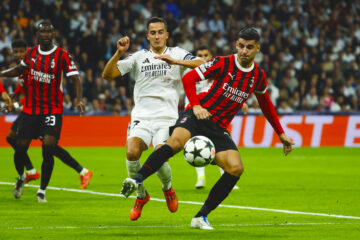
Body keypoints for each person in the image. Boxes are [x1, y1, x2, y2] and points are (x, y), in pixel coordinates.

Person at [120, 27, 294, 229]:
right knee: (174, 143)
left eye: (249, 47)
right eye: (240, 46)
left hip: (218, 126)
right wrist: (196, 105)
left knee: (236, 168)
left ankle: (200, 217)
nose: (244, 51)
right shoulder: (223, 62)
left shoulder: (258, 76)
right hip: (197, 116)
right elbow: (189, 78)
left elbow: (266, 105)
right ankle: (136, 180)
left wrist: (281, 134)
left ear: (257, 48)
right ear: (236, 45)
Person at [102, 17, 205, 221]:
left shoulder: (178, 53)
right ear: (147, 36)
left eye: (160, 32)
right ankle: (141, 195)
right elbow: (108, 74)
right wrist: (119, 53)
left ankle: (168, 188)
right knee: (132, 152)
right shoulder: (138, 57)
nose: (157, 36)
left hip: (167, 117)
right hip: (142, 115)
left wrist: (175, 62)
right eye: (153, 33)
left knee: (160, 155)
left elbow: (203, 63)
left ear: (166, 34)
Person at [0, 21, 92, 203]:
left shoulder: (62, 55)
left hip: (52, 109)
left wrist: (79, 99)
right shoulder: (31, 53)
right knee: (19, 148)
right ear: (37, 34)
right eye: (43, 31)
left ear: (53, 33)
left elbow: (75, 78)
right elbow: (20, 70)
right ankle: (22, 176)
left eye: (49, 31)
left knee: (48, 148)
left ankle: (42, 191)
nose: (46, 34)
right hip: (31, 110)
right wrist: (2, 73)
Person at [187, 46, 248, 189]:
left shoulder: (218, 71)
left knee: (219, 145)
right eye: (199, 55)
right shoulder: (192, 72)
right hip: (195, 112)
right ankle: (201, 178)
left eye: (206, 54)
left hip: (214, 112)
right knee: (198, 145)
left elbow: (228, 89)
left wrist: (240, 102)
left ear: (211, 56)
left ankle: (225, 176)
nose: (203, 57)